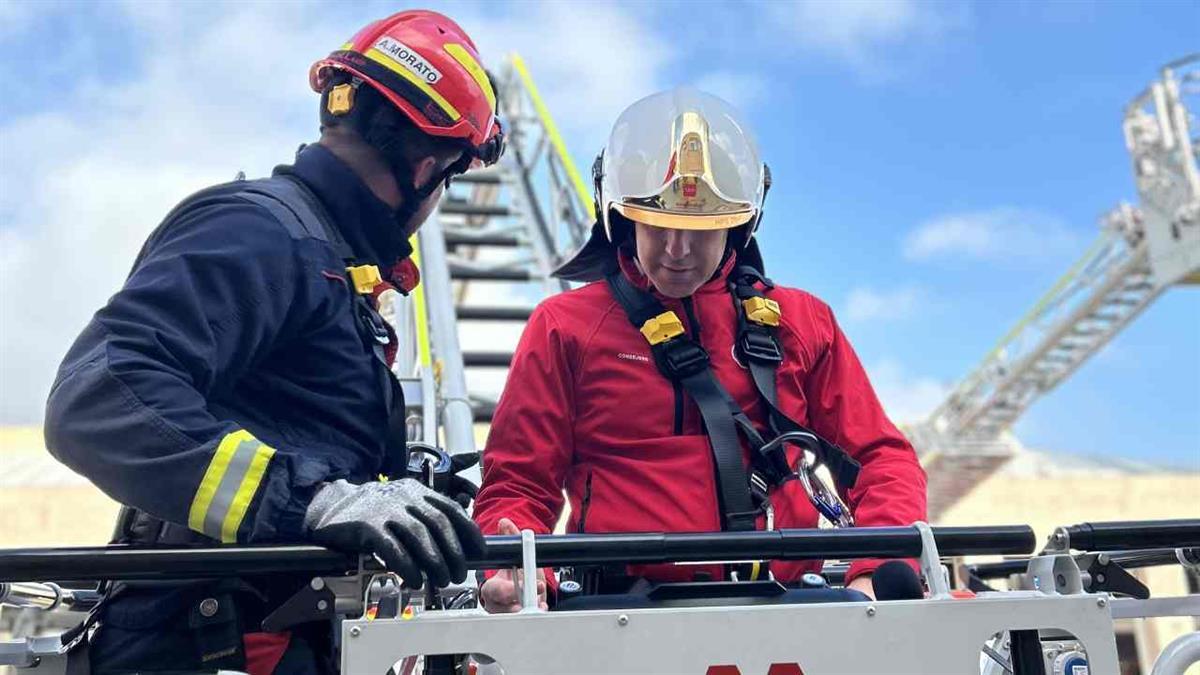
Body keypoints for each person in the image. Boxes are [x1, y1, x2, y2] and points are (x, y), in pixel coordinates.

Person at [42, 10, 502, 673]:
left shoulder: (325, 262)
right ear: (427, 166)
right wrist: (314, 501)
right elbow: (96, 397)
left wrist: (401, 489)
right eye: (450, 178)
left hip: (253, 640)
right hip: (205, 645)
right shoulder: (264, 232)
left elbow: (290, 430)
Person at [473, 87, 927, 613]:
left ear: (738, 224)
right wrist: (521, 577)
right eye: (659, 226)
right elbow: (519, 484)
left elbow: (879, 459)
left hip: (791, 621)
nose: (678, 251)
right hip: (617, 621)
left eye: (702, 231)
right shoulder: (565, 328)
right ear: (620, 216)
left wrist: (877, 569)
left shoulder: (803, 323)